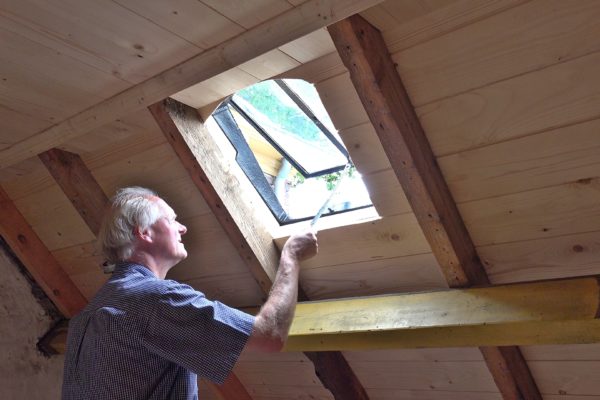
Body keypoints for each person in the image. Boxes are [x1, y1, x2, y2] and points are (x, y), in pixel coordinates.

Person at [61, 186, 317, 399]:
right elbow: (269, 335)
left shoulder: (93, 309)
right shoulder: (157, 300)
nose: (182, 228)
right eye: (171, 219)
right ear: (144, 231)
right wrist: (291, 257)